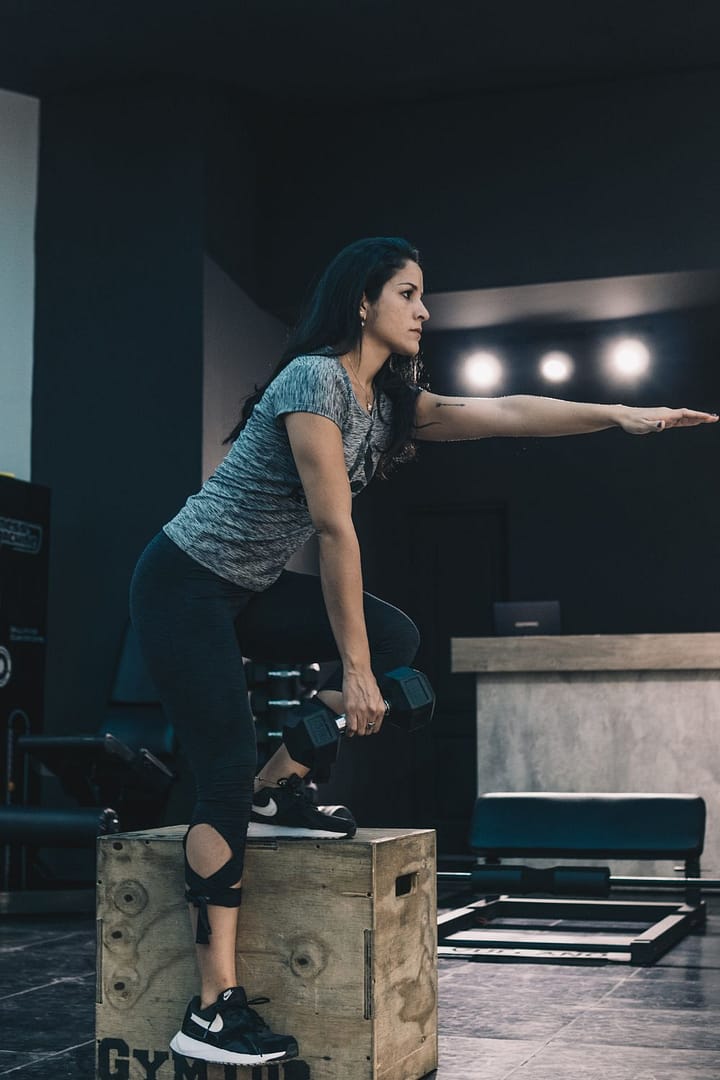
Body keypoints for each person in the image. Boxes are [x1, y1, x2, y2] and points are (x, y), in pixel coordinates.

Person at [129, 236, 717, 1068]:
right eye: (409, 292)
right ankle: (211, 1008)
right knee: (221, 766)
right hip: (184, 585)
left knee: (398, 642)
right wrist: (354, 671)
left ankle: (275, 789)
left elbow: (507, 411)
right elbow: (334, 532)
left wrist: (620, 416)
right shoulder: (313, 382)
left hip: (248, 591)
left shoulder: (387, 402)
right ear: (362, 302)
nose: (424, 310)